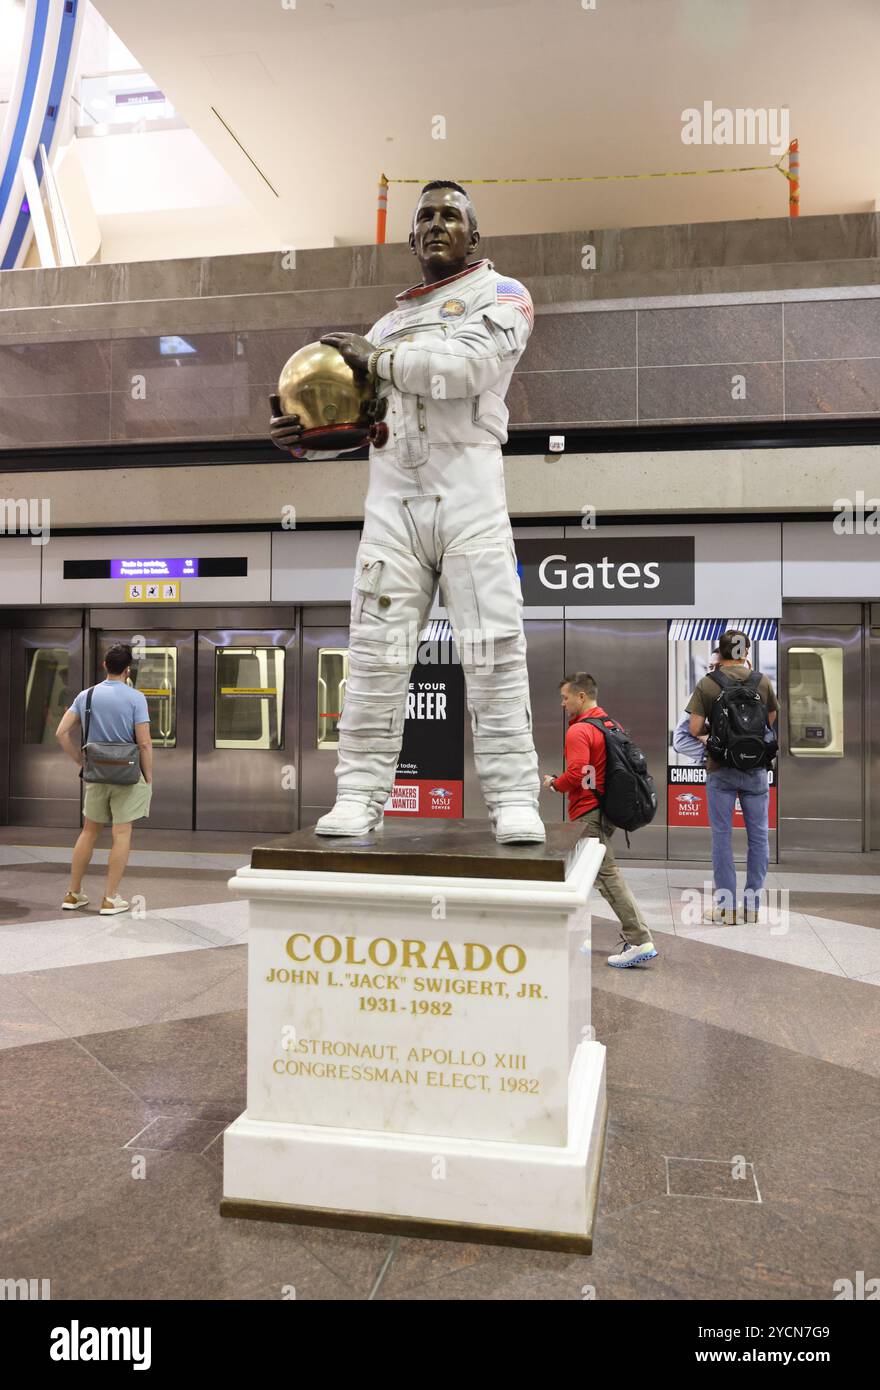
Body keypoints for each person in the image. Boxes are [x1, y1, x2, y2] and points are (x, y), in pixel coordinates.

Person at [269, 180, 543, 845]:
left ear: (474, 236)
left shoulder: (503, 296)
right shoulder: (383, 329)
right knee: (374, 658)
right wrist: (305, 438)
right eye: (425, 216)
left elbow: (470, 367)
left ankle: (514, 800)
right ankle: (359, 796)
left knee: (492, 650)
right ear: (410, 237)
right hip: (392, 502)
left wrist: (380, 359)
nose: (437, 223)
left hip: (469, 495)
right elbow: (361, 421)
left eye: (452, 215)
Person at [543, 673, 657, 969]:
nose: (563, 704)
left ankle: (639, 937)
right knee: (581, 874)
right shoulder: (611, 725)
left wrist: (556, 783)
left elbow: (578, 773)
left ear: (581, 696)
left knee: (606, 875)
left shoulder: (579, 731)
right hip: (606, 811)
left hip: (588, 811)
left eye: (565, 698)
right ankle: (574, 932)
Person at [686, 630, 778, 925]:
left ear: (720, 653)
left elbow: (694, 728)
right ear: (745, 652)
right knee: (759, 838)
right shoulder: (762, 681)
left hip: (721, 769)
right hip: (755, 771)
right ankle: (752, 906)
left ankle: (726, 908)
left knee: (722, 838)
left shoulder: (708, 684)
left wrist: (717, 737)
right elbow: (770, 721)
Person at [55, 643, 153, 915]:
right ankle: (110, 898)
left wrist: (81, 761)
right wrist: (149, 778)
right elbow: (144, 744)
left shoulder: (86, 696)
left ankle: (73, 894)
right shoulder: (136, 698)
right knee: (121, 833)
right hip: (129, 775)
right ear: (128, 669)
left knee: (89, 831)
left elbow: (61, 733)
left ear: (104, 666)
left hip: (96, 774)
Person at [671, 647, 721, 761]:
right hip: (704, 771)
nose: (713, 672)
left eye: (720, 667)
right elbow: (680, 741)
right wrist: (717, 752)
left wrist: (703, 736)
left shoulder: (745, 696)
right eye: (711, 667)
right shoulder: (700, 696)